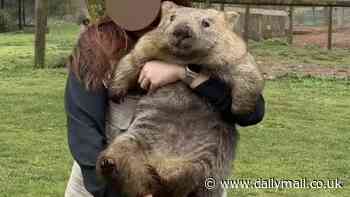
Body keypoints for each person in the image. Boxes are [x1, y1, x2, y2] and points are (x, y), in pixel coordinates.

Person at [64, 0, 265, 197]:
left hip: (191, 166)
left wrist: (184, 74)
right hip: (109, 180)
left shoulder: (208, 28)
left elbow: (251, 112)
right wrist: (110, 190)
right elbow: (83, 128)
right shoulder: (96, 43)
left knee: (185, 173)